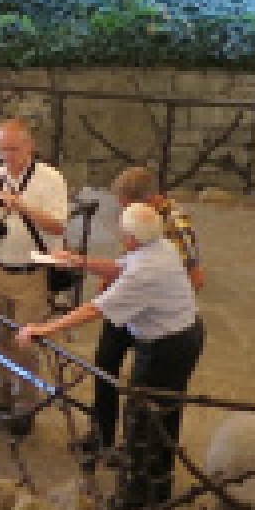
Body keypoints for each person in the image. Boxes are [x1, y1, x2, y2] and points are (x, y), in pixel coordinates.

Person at [19, 202, 204, 510]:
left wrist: (44, 328)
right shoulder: (160, 246)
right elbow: (121, 267)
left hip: (167, 346)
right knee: (160, 412)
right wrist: (78, 261)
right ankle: (157, 483)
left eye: (122, 231)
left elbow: (95, 309)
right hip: (180, 335)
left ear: (131, 237)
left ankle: (141, 499)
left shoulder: (146, 271)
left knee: (146, 415)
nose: (120, 235)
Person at [81, 165, 206, 454]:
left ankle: (138, 452)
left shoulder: (176, 226)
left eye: (127, 206)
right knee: (105, 363)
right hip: (129, 305)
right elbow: (132, 258)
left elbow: (193, 277)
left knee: (148, 389)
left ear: (149, 201)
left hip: (151, 315)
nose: (122, 213)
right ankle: (102, 435)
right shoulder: (143, 220)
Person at [0, 117, 71, 431]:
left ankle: (25, 404)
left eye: (14, 149)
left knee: (24, 343)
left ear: (30, 146)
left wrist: (22, 206)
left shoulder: (50, 179)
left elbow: (58, 225)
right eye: (3, 149)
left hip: (31, 274)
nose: (8, 156)